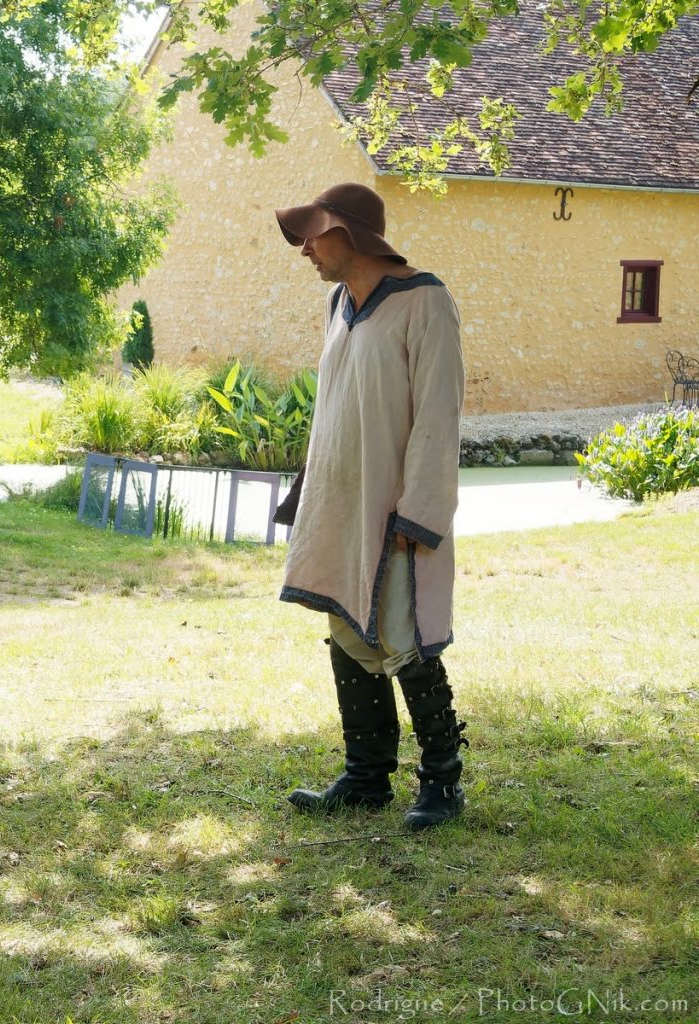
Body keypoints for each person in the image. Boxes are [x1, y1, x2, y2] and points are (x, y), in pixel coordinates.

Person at [273, 182, 469, 831]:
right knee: (347, 629)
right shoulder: (338, 304)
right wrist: (310, 493)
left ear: (350, 234)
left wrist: (420, 514)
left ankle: (443, 781)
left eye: (313, 235)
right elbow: (335, 406)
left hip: (394, 508)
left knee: (404, 638)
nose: (305, 249)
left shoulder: (426, 302)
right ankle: (366, 776)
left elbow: (438, 417)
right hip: (340, 501)